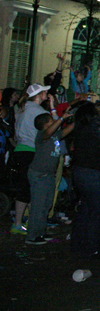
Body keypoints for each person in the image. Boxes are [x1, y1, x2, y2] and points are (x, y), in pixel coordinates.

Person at [70, 101, 100, 258]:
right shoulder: (92, 129)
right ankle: (91, 248)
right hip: (94, 175)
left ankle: (78, 244)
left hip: (80, 172)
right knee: (97, 213)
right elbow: (98, 149)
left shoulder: (79, 129)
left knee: (85, 209)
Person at [10, 84, 57, 235]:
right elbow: (53, 130)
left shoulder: (21, 109)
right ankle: (31, 224)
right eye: (44, 91)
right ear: (39, 95)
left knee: (23, 188)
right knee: (33, 189)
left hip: (19, 149)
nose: (47, 93)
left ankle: (20, 223)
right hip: (32, 151)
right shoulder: (40, 112)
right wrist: (53, 108)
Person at [25, 112, 74, 245]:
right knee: (38, 206)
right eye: (51, 120)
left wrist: (78, 121)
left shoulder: (54, 136)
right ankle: (32, 236)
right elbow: (49, 131)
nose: (54, 121)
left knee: (46, 205)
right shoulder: (42, 135)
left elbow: (65, 131)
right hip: (39, 175)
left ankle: (40, 232)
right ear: (46, 124)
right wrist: (62, 118)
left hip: (48, 175)